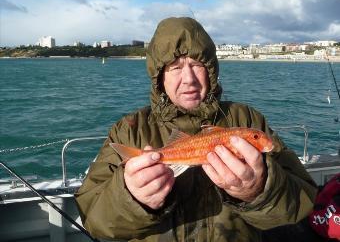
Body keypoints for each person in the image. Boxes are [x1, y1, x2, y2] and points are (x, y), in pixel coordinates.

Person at [75, 17, 317, 241]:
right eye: (175, 67)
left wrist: (260, 189)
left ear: (211, 70)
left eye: (197, 64)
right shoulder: (128, 130)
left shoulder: (248, 118)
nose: (189, 78)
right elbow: (93, 219)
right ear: (159, 76)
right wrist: (131, 198)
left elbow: (302, 202)